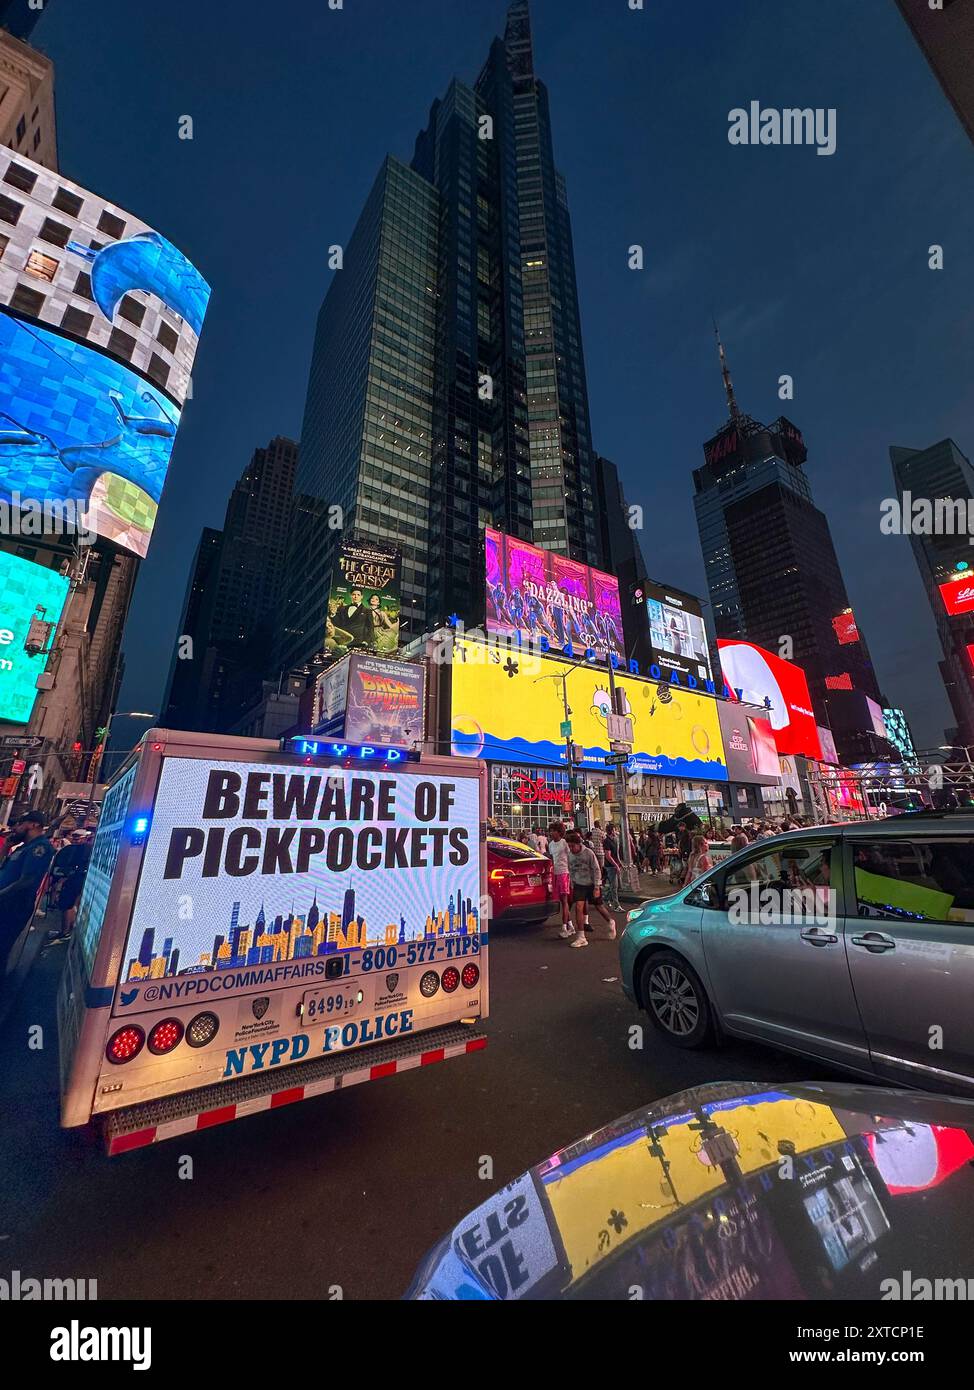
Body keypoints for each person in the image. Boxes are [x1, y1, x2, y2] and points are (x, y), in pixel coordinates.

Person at [0, 811, 54, 981]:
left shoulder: (41, 847)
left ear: (33, 825)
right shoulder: (24, 847)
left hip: (14, 905)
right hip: (5, 902)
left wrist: (2, 894)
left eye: (20, 824)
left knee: (2, 945)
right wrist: (6, 847)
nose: (16, 828)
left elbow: (27, 880)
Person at [561, 829, 615, 947]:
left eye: (572, 846)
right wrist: (572, 882)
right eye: (569, 846)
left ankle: (610, 922)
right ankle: (581, 937)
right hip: (579, 885)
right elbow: (570, 869)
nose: (571, 848)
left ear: (578, 844)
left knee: (599, 906)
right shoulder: (570, 855)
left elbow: (596, 869)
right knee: (578, 907)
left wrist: (597, 886)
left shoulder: (588, 853)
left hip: (591, 884)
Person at [46, 829, 91, 943]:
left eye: (78, 838)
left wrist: (62, 878)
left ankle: (65, 932)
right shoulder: (87, 849)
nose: (76, 840)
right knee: (71, 905)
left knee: (67, 905)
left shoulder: (77, 850)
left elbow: (67, 866)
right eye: (75, 838)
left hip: (73, 880)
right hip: (79, 880)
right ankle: (68, 931)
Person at [547, 821, 572, 929]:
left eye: (553, 831)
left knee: (565, 900)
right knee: (562, 901)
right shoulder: (550, 844)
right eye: (550, 831)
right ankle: (570, 925)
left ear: (559, 832)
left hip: (564, 873)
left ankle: (564, 926)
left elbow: (571, 858)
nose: (551, 833)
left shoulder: (565, 843)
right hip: (556, 874)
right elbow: (552, 859)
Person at [603, 825, 622, 910]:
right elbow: (608, 856)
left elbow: (616, 853)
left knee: (615, 886)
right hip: (610, 866)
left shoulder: (615, 840)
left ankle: (606, 898)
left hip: (615, 864)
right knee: (614, 886)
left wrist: (619, 863)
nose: (616, 831)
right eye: (614, 830)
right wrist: (616, 865)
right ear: (611, 831)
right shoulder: (606, 841)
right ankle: (616, 905)